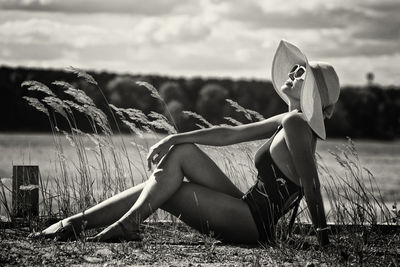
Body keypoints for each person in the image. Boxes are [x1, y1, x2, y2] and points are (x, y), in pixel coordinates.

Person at [29, 40, 340, 247]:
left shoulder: (297, 125)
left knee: (170, 188)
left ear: (311, 90)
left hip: (254, 224)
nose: (294, 72)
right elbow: (228, 135)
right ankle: (80, 222)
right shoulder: (288, 121)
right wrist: (174, 136)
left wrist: (324, 241)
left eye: (302, 73)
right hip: (247, 208)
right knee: (182, 153)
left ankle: (113, 224)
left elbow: (312, 187)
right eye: (296, 68)